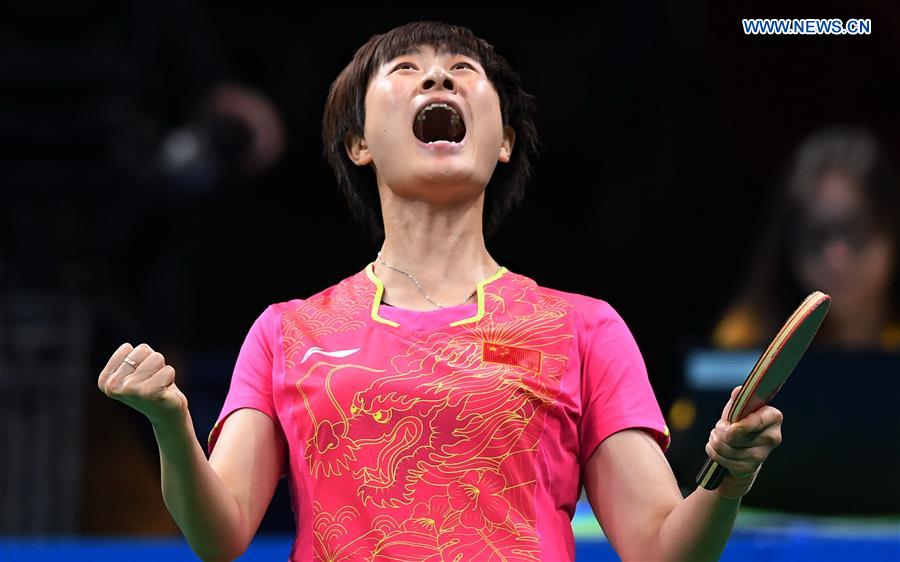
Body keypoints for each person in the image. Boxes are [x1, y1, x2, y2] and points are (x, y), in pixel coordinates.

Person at [97, 21, 783, 561]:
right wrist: (169, 423)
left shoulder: (583, 329)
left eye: (463, 71)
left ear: (505, 142)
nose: (436, 77)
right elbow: (221, 536)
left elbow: (661, 548)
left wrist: (728, 476)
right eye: (405, 70)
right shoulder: (288, 333)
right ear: (359, 143)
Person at [712, 125, 900, 352]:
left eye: (855, 231)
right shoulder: (744, 340)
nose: (836, 259)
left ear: (891, 229)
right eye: (816, 235)